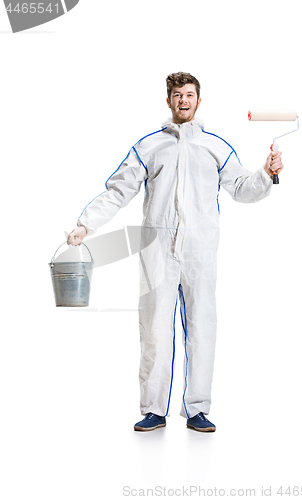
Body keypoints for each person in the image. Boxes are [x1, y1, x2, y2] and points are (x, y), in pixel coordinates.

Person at [67, 72, 283, 433]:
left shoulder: (215, 146)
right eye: (177, 94)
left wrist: (266, 173)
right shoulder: (150, 146)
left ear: (199, 101)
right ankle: (153, 409)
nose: (183, 100)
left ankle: (197, 408)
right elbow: (119, 191)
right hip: (158, 251)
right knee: (154, 329)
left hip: (201, 251)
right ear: (167, 101)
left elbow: (243, 189)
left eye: (189, 94)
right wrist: (86, 224)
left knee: (202, 327)